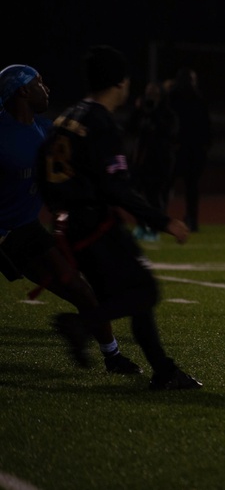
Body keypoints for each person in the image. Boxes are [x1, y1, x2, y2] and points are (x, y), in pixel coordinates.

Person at [36, 45, 202, 389]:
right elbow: (117, 188)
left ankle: (164, 371)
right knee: (145, 292)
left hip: (70, 225)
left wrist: (58, 210)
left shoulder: (68, 117)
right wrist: (162, 220)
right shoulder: (100, 122)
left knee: (134, 293)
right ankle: (80, 325)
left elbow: (41, 165)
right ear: (121, 83)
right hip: (96, 224)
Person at [0, 64, 141, 374]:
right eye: (39, 82)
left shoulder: (45, 130)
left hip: (23, 230)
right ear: (22, 90)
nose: (46, 88)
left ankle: (113, 356)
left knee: (80, 288)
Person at [126, 81, 178, 241]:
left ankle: (155, 229)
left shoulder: (167, 113)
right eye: (148, 93)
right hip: (140, 161)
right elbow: (130, 128)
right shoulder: (142, 112)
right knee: (135, 195)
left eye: (154, 94)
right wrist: (138, 109)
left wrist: (154, 113)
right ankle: (141, 226)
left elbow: (169, 132)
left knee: (154, 196)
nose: (151, 97)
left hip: (159, 161)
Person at [168, 67, 212, 232]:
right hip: (192, 150)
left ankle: (159, 218)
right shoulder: (198, 99)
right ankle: (192, 219)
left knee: (168, 185)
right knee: (190, 188)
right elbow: (206, 126)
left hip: (180, 149)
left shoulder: (174, 97)